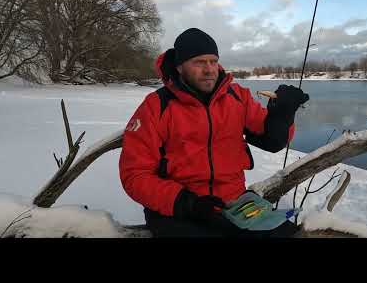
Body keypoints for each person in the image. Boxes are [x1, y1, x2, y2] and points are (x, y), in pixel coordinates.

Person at [119, 28, 309, 238]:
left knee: (289, 234)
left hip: (233, 204)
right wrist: (187, 203)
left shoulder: (237, 97)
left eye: (213, 61)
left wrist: (283, 115)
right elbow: (134, 175)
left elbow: (274, 139)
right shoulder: (156, 106)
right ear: (180, 67)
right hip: (178, 208)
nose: (209, 69)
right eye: (199, 62)